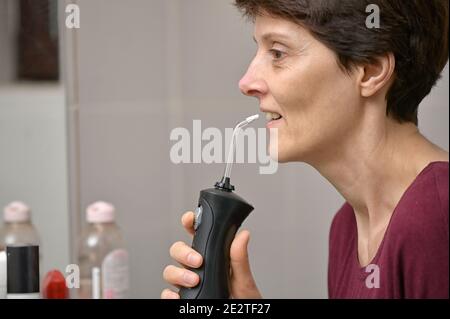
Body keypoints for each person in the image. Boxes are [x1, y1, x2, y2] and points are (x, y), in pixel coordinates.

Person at [162, 0, 449, 298]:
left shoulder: (437, 218)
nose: (246, 83)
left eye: (277, 52)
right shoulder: (347, 227)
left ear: (370, 70)